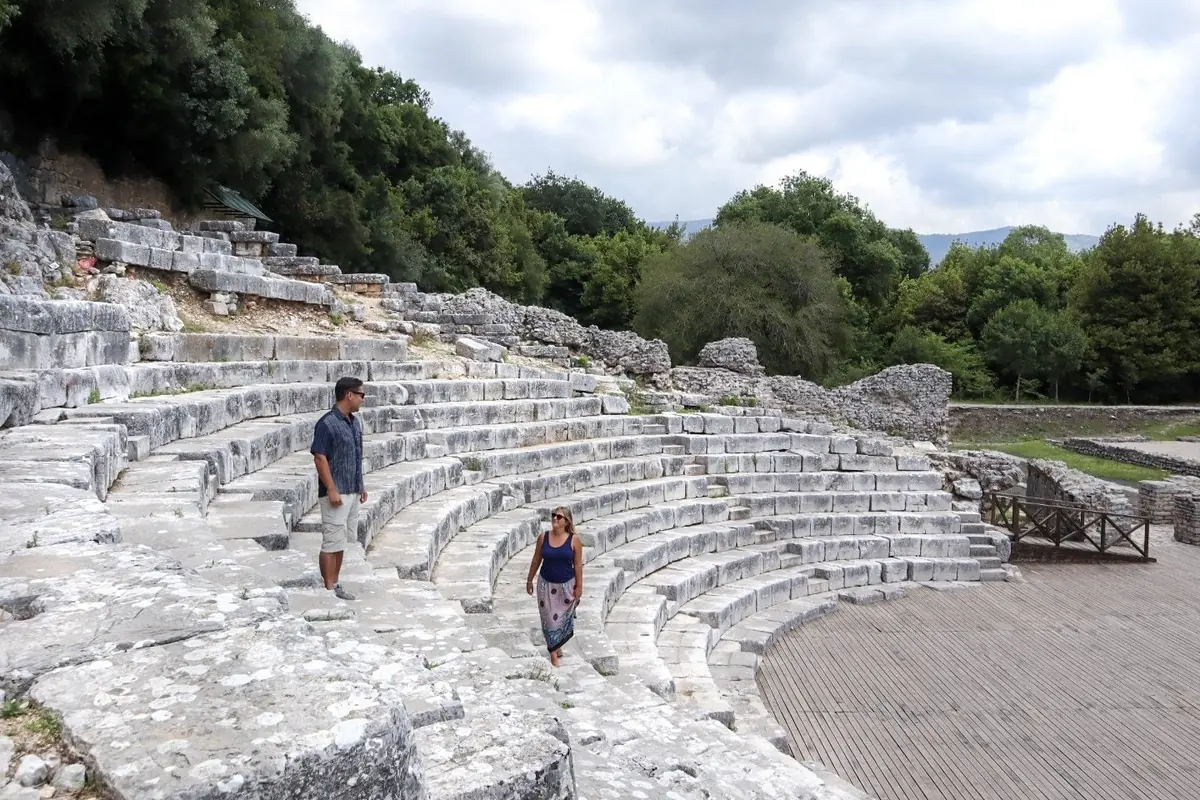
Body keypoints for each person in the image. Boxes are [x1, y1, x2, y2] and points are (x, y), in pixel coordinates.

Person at [310, 376, 368, 601]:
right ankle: (328, 588)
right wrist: (331, 489)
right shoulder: (327, 423)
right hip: (336, 491)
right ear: (349, 395)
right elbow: (320, 458)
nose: (363, 399)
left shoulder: (354, 422)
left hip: (352, 489)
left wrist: (361, 484)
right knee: (331, 540)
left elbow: (355, 455)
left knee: (340, 541)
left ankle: (335, 583)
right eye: (361, 395)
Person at [526, 506, 584, 667]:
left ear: (567, 522)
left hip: (566, 586)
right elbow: (536, 559)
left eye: (559, 517)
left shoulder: (574, 540)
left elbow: (578, 564)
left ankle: (556, 645)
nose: (554, 519)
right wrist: (530, 579)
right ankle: (553, 653)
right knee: (549, 620)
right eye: (553, 516)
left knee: (561, 619)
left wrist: (579, 586)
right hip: (546, 584)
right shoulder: (543, 537)